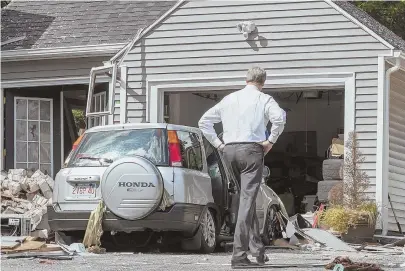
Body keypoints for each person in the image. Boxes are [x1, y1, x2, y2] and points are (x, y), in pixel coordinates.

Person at [198, 67, 286, 268]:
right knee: (247, 202)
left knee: (247, 200)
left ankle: (257, 251)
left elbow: (204, 122)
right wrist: (271, 141)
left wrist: (219, 145)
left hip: (229, 151)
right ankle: (238, 256)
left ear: (246, 80)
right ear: (262, 82)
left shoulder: (229, 99)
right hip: (252, 150)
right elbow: (279, 119)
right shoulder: (264, 99)